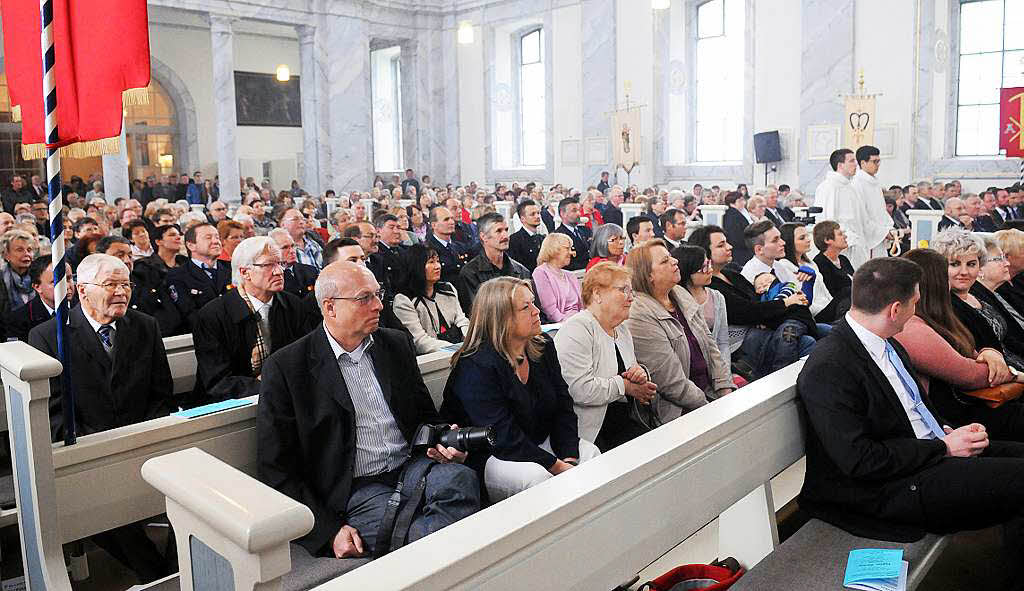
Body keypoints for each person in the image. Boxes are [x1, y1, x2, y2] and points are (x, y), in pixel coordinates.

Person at [797, 256, 1024, 575]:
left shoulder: (884, 343)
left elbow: (909, 410)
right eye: (914, 303)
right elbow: (860, 460)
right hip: (890, 487)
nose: (917, 311)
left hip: (923, 455)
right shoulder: (830, 367)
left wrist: (945, 432)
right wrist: (943, 447)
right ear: (895, 310)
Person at [257, 261, 480, 558]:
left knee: (461, 478)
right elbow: (276, 467)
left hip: (412, 467)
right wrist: (327, 530)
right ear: (330, 307)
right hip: (353, 490)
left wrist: (443, 442)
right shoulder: (288, 367)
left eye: (378, 294)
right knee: (419, 531)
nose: (378, 305)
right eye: (365, 298)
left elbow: (425, 416)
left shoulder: (395, 344)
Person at [441, 277, 598, 501]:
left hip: (537, 440)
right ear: (501, 318)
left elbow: (563, 404)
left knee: (590, 455)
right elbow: (501, 436)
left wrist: (569, 456)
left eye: (534, 303)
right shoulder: (475, 364)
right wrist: (557, 467)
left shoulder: (542, 345)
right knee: (536, 477)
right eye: (526, 307)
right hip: (492, 454)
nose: (537, 311)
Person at [896, 248, 1024, 441]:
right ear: (938, 282)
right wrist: (1016, 375)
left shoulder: (941, 317)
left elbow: (973, 354)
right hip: (960, 417)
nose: (960, 274)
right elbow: (969, 375)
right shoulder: (912, 326)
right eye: (952, 268)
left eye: (971, 264)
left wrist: (989, 352)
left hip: (975, 405)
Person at [192, 237, 311, 405]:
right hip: (228, 406)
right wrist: (270, 383)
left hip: (287, 397)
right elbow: (217, 382)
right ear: (244, 272)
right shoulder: (213, 315)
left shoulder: (293, 305)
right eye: (268, 265)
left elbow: (307, 357)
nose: (279, 271)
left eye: (280, 263)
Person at [626, 240, 733, 426]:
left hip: (709, 392)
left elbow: (710, 345)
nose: (675, 261)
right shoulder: (639, 313)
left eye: (671, 257)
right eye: (665, 261)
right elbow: (671, 382)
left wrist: (725, 390)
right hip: (677, 410)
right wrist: (712, 407)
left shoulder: (680, 294)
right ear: (648, 275)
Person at [689, 224, 816, 379]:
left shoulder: (731, 273)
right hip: (741, 339)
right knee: (806, 342)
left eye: (727, 242)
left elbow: (757, 302)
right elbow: (745, 312)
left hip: (763, 325)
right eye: (721, 245)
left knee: (825, 332)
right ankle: (784, 388)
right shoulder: (710, 285)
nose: (730, 247)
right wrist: (786, 303)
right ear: (705, 252)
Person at [554, 262, 655, 451]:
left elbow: (629, 373)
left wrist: (640, 376)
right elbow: (580, 390)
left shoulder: (622, 330)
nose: (631, 298)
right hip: (588, 433)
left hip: (621, 422)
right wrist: (625, 386)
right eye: (623, 290)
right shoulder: (577, 329)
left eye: (631, 291)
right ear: (597, 294)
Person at [935, 229, 1024, 370]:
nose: (964, 272)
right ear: (941, 266)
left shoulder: (979, 296)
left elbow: (1010, 340)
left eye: (971, 264)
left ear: (979, 267)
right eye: (955, 264)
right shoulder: (945, 306)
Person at [392, 244, 470, 354]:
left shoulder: (448, 289)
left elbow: (461, 319)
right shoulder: (404, 300)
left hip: (458, 350)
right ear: (417, 265)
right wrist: (454, 349)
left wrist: (469, 340)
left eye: (438, 261)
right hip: (431, 360)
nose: (438, 266)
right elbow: (419, 341)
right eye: (431, 262)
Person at [674, 244, 733, 375]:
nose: (710, 270)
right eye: (703, 268)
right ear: (687, 271)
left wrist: (724, 373)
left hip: (716, 365)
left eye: (709, 264)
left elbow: (722, 342)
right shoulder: (675, 300)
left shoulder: (717, 297)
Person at [456, 213, 531, 314]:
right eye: (499, 231)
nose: (505, 235)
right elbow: (476, 313)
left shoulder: (521, 271)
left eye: (506, 230)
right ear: (483, 237)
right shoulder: (470, 273)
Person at [166, 222, 231, 328]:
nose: (216, 241)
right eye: (208, 238)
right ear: (191, 245)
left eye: (217, 237)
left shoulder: (232, 269)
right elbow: (188, 314)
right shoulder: (177, 276)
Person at [816, 149, 872, 268]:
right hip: (842, 245)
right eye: (851, 161)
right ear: (840, 165)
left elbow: (861, 219)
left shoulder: (851, 187)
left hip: (857, 241)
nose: (856, 164)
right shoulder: (828, 187)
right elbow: (826, 220)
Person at [778, 222, 840, 322]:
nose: (808, 240)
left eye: (807, 236)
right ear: (789, 242)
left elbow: (825, 292)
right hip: (813, 312)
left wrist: (835, 306)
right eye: (802, 238)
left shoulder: (810, 263)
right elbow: (800, 296)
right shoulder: (785, 265)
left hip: (827, 307)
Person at [3, 255, 74, 342]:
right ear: (37, 287)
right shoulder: (19, 321)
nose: (67, 286)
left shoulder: (86, 306)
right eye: (57, 281)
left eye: (69, 278)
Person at [848, 145, 894, 264]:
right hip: (869, 239)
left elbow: (881, 212)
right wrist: (882, 232)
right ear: (863, 163)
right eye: (874, 161)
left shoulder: (875, 183)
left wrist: (889, 228)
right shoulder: (857, 185)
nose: (878, 165)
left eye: (879, 161)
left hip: (880, 236)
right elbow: (862, 216)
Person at [532, 233, 583, 323]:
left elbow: (582, 306)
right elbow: (550, 311)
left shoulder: (571, 276)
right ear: (554, 249)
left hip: (579, 321)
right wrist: (570, 323)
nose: (571, 253)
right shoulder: (541, 273)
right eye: (567, 249)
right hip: (561, 325)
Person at [426, 206, 472, 286]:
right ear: (434, 225)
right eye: (446, 219)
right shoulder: (427, 249)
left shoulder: (460, 247)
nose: (452, 222)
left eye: (452, 218)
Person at [812, 220, 855, 305]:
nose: (845, 236)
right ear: (827, 240)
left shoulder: (843, 259)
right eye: (840, 234)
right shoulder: (820, 263)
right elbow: (831, 295)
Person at [270, 228, 318, 298]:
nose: (292, 251)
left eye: (293, 246)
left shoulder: (310, 271)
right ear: (273, 250)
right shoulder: (271, 277)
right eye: (285, 247)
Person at [0, 229, 37, 317]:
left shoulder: (39, 275)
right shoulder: (1, 278)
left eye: (29, 250)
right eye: (20, 250)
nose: (26, 254)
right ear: (6, 254)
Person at [553, 197, 592, 271]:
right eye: (574, 211)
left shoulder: (585, 231)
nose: (578, 214)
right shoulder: (558, 235)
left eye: (579, 210)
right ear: (562, 213)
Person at [508, 199, 545, 273]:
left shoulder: (542, 238)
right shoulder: (514, 240)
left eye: (538, 213)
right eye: (532, 214)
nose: (537, 216)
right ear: (522, 219)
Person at [722, 191, 754, 266]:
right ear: (732, 203)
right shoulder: (733, 215)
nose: (743, 203)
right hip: (739, 252)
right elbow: (735, 236)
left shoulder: (735, 213)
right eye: (740, 201)